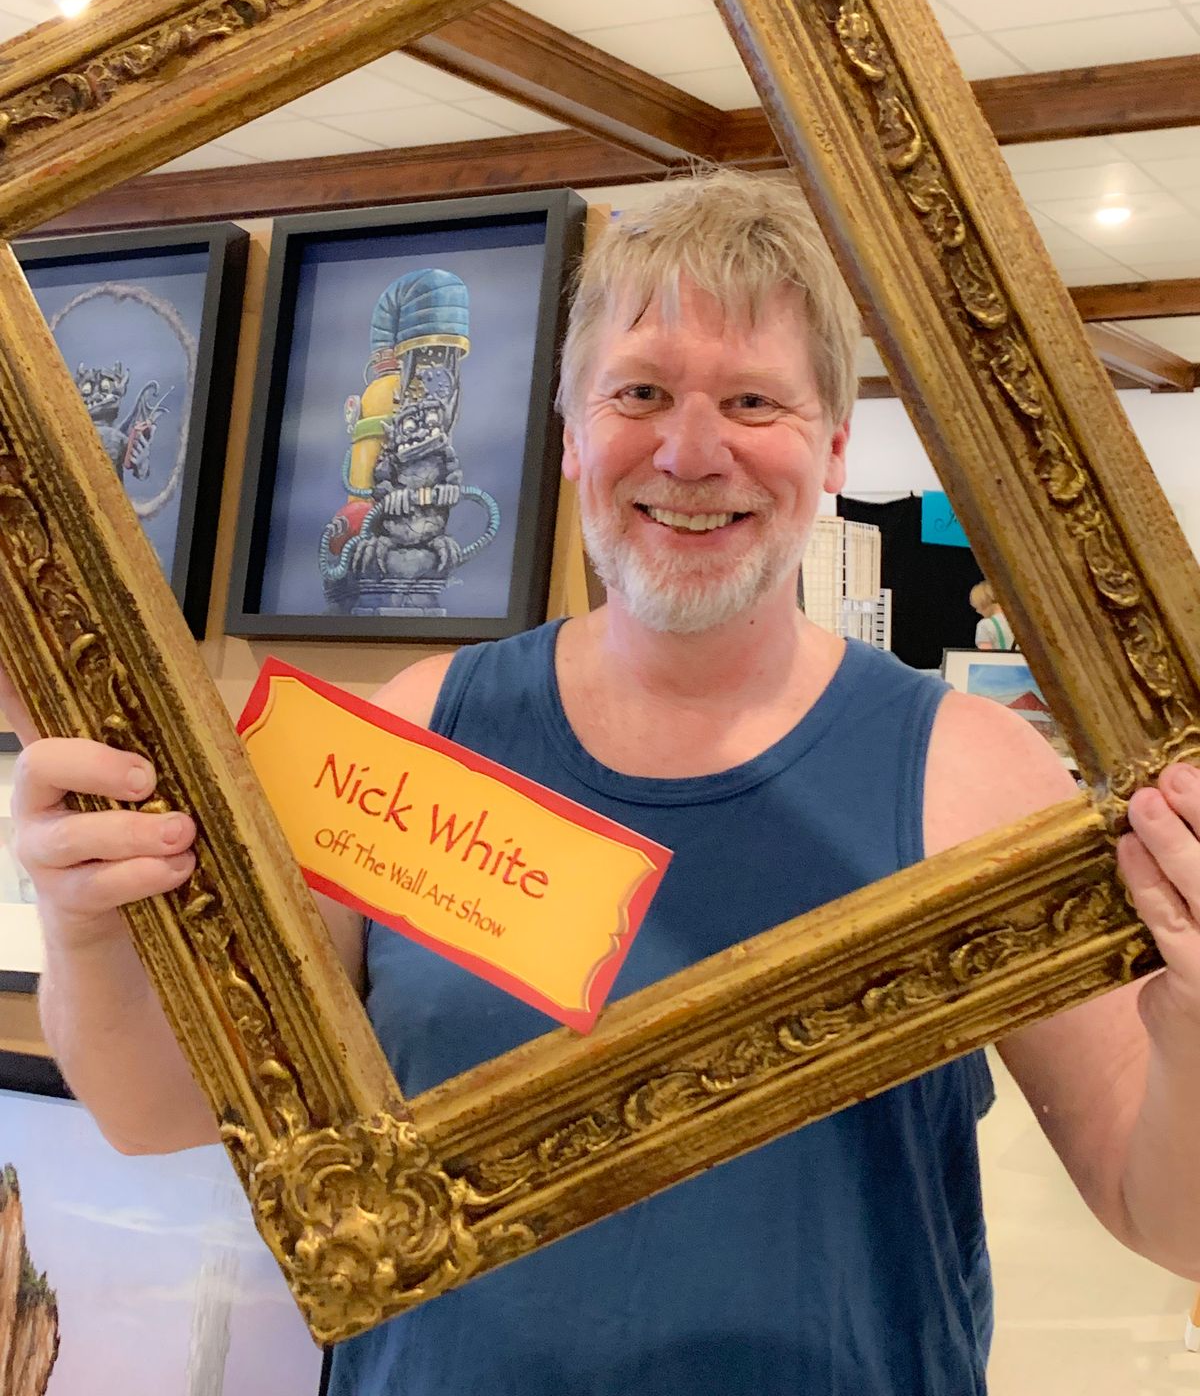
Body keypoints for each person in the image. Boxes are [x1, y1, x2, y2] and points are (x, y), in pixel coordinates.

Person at [9, 168, 1200, 1396]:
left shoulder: (977, 777)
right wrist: (88, 924)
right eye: (640, 393)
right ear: (572, 434)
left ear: (834, 445)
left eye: (753, 399)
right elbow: (160, 1108)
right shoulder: (411, 736)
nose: (690, 450)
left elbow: (1163, 1211)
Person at [970, 579, 1015, 651]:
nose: (978, 611)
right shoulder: (1020, 623)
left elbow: (986, 655)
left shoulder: (985, 625)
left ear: (983, 604)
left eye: (977, 607)